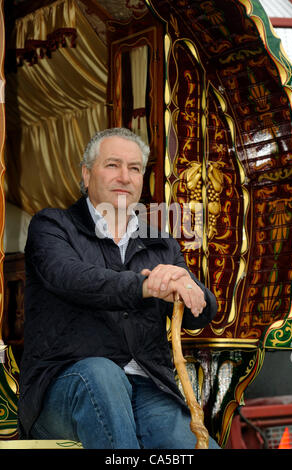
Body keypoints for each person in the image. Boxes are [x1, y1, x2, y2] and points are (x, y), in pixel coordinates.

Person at [18, 127, 219, 449]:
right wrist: (145, 286)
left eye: (135, 168)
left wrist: (188, 287)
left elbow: (201, 313)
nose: (124, 177)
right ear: (86, 174)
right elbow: (70, 277)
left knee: (185, 443)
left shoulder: (160, 242)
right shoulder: (52, 226)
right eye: (112, 165)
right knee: (101, 373)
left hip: (148, 385)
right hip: (62, 385)